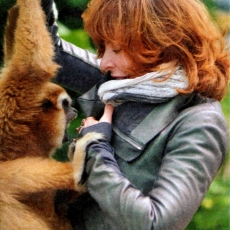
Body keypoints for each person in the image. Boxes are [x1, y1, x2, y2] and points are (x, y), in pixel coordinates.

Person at [41, 0, 229, 229]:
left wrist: (95, 150)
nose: (105, 63)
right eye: (103, 48)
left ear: (161, 45)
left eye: (117, 49)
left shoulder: (199, 121)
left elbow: (157, 223)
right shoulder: (122, 85)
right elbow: (48, 52)